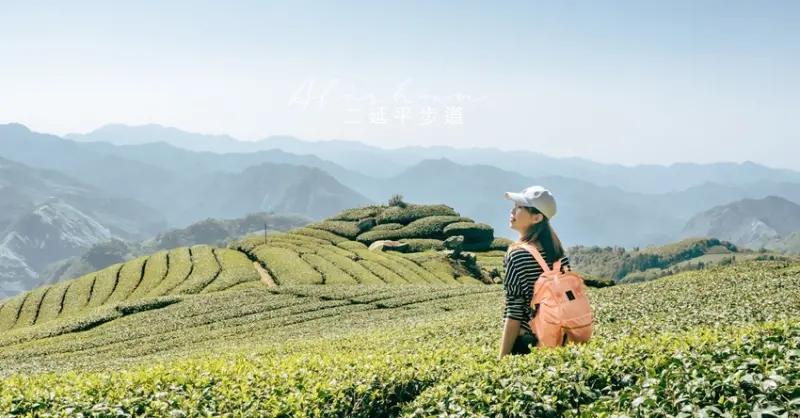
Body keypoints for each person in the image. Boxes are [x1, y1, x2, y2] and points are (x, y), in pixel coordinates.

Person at [498, 185, 571, 359]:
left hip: (527, 344)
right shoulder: (559, 255)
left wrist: (502, 358)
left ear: (537, 218)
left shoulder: (517, 255)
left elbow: (514, 310)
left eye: (519, 207)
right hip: (558, 341)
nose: (513, 210)